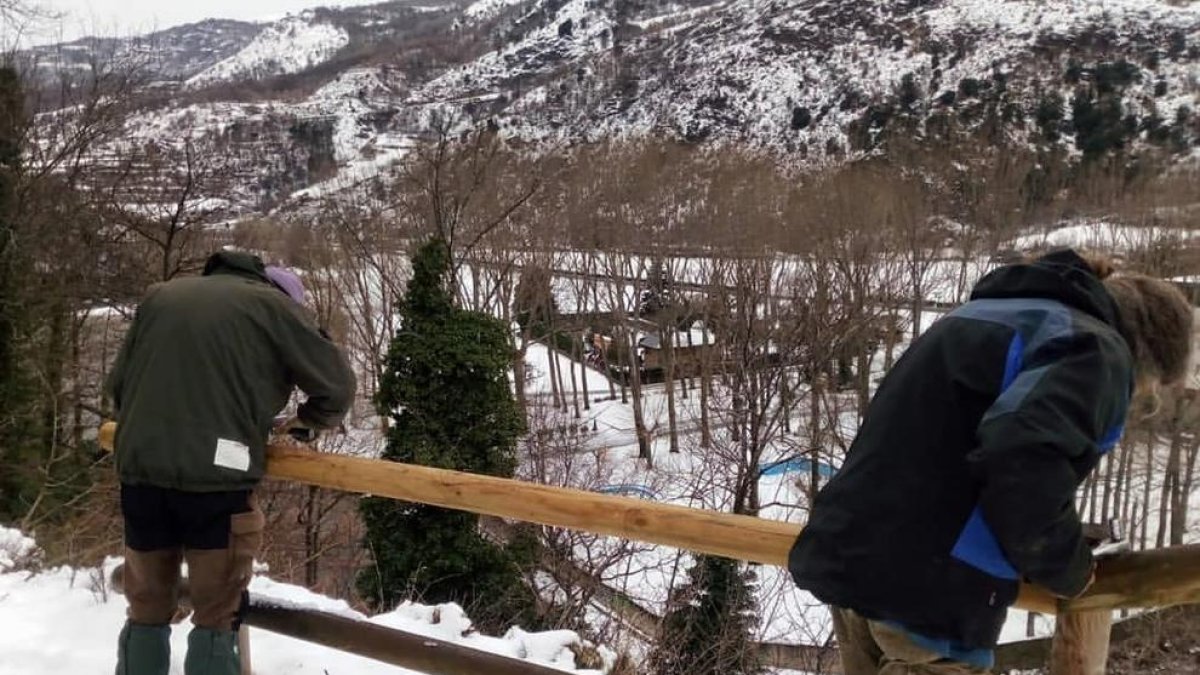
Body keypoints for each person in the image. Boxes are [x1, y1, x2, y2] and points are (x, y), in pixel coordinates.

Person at [788, 249, 1194, 674]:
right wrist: (1066, 564)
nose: (1140, 397)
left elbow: (947, 448)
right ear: (1149, 355)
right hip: (929, 598)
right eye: (1148, 389)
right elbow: (1022, 462)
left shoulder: (985, 314)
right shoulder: (1093, 348)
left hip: (852, 559)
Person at [106, 251, 357, 675]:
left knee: (146, 606)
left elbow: (117, 387)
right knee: (216, 614)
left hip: (141, 473)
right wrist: (308, 422)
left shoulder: (162, 296)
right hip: (216, 486)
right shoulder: (272, 307)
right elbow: (337, 385)